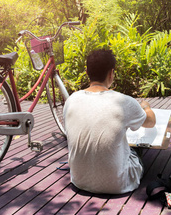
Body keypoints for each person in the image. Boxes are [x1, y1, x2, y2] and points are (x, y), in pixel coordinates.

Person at [63, 49, 156, 194]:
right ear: (111, 73)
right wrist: (146, 107)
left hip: (79, 181)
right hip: (117, 185)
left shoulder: (71, 100)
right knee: (137, 148)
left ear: (87, 72)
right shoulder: (124, 101)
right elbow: (151, 122)